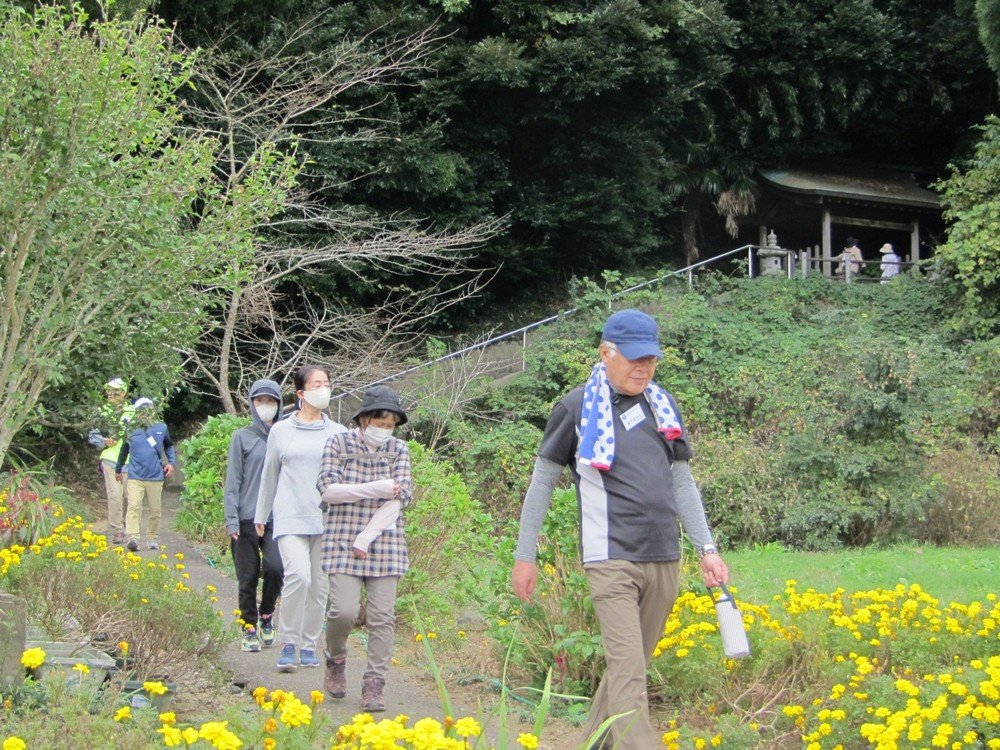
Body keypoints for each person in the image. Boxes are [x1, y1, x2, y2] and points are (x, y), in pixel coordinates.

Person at [511, 309, 729, 750]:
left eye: (650, 359)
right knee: (629, 671)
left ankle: (591, 744)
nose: (643, 367)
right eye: (633, 358)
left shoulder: (662, 406)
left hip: (664, 555)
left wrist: (706, 547)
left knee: (627, 670)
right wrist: (525, 554)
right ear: (605, 353)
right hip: (609, 557)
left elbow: (682, 482)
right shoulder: (575, 407)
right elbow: (541, 483)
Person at [316, 385, 412, 712]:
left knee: (382, 617)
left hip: (384, 541)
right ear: (364, 419)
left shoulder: (399, 450)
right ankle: (336, 658)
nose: (384, 430)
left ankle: (375, 684)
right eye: (380, 423)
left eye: (390, 425)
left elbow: (398, 499)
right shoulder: (338, 443)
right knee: (342, 610)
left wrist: (366, 536)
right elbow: (329, 491)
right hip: (341, 536)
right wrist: (375, 489)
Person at [254, 365, 346, 673]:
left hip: (327, 520)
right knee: (298, 576)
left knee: (319, 586)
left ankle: (309, 644)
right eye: (317, 384)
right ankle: (288, 643)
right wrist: (261, 514)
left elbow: (349, 477)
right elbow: (269, 474)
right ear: (301, 393)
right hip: (290, 515)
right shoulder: (281, 430)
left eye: (327, 383)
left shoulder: (338, 433)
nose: (324, 389)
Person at [224, 379, 285, 653]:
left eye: (270, 401)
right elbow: (233, 481)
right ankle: (248, 627)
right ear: (251, 404)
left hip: (277, 518)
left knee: (276, 568)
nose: (265, 406)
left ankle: (266, 614)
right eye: (259, 401)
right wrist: (231, 520)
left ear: (279, 404)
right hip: (247, 517)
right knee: (247, 576)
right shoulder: (242, 437)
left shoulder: (286, 435)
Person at [115, 397, 176, 552]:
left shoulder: (161, 427)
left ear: (152, 410)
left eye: (148, 409)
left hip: (155, 476)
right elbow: (124, 450)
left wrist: (171, 462)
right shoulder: (130, 430)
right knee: (133, 507)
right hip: (135, 476)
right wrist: (118, 469)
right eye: (142, 410)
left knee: (155, 509)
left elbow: (168, 446)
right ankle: (133, 538)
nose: (145, 412)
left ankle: (152, 538)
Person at [87, 378, 135, 544]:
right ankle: (118, 529)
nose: (110, 394)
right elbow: (93, 435)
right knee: (115, 496)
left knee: (131, 497)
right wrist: (103, 441)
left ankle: (131, 528)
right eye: (108, 390)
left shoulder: (133, 412)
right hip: (110, 460)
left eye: (114, 391)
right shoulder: (103, 411)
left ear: (123, 393)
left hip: (131, 461)